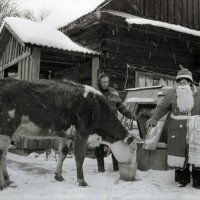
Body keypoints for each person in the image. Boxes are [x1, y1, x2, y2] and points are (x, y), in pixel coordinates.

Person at [146, 68, 200, 188]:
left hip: (196, 129)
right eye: (179, 83)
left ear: (190, 83)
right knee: (179, 154)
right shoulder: (172, 94)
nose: (181, 85)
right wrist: (154, 118)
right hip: (177, 129)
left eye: (184, 83)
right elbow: (161, 107)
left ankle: (198, 180)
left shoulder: (199, 93)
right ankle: (183, 179)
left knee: (197, 154)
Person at [95, 73, 135, 172]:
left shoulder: (114, 93)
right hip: (99, 125)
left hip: (113, 124)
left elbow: (121, 107)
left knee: (115, 144)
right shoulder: (94, 94)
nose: (105, 84)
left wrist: (131, 115)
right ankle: (100, 168)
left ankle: (116, 167)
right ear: (99, 82)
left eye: (107, 82)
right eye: (103, 82)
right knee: (98, 145)